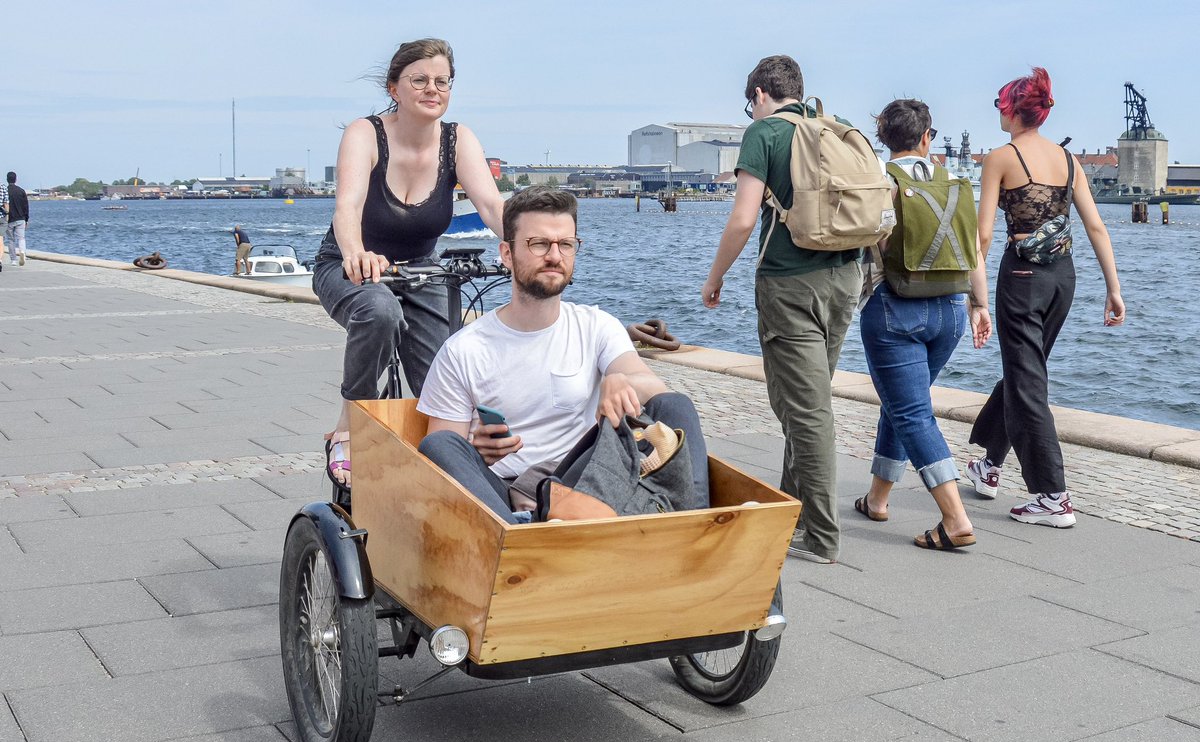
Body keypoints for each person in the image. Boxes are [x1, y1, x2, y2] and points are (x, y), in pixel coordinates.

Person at [416, 187, 709, 524]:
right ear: (507, 254)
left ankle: (698, 525)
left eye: (566, 244)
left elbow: (646, 383)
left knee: (675, 405)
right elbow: (439, 462)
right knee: (439, 445)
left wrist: (617, 378)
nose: (554, 256)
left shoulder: (596, 325)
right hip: (505, 494)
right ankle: (522, 541)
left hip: (584, 484)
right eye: (539, 244)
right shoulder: (463, 350)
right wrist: (478, 453)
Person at [311, 38, 504, 488]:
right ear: (394, 88)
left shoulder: (458, 139)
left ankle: (448, 466)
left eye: (442, 81)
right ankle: (350, 423)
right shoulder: (365, 133)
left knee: (446, 374)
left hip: (420, 270)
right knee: (379, 312)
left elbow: (493, 206)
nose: (432, 89)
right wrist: (357, 252)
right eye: (419, 80)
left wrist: (523, 242)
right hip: (348, 264)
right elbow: (348, 205)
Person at [700, 55, 862, 564]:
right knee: (804, 401)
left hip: (790, 284)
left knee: (807, 411)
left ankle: (819, 535)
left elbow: (743, 219)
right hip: (846, 278)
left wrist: (715, 275)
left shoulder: (765, 133)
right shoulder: (835, 128)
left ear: (760, 94)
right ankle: (793, 509)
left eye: (750, 103)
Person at [966, 67, 1125, 527]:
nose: (998, 111)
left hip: (1021, 278)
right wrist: (1113, 288)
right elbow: (1095, 226)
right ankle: (991, 466)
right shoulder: (1068, 160)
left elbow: (982, 237)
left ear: (1012, 109)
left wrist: (975, 299)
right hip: (1064, 280)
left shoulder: (1000, 157)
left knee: (1027, 379)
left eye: (1000, 104)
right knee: (1025, 370)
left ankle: (1053, 495)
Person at [856, 99, 993, 550]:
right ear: (927, 137)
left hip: (895, 308)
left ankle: (955, 519)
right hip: (951, 310)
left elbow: (865, 238)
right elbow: (974, 247)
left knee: (912, 411)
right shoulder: (956, 181)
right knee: (902, 402)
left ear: (883, 137)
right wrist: (981, 305)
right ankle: (878, 499)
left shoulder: (878, 180)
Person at [3, 173, 27, 268]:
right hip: (21, 218)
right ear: (16, 179)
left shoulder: (5, 191)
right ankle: (22, 252)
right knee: (21, 238)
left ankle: (13, 260)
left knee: (11, 240)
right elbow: (26, 206)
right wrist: (27, 219)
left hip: (9, 219)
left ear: (7, 179)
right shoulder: (21, 191)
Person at [0, 177, 10, 270]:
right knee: (1, 240)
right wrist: (7, 215)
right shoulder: (3, 187)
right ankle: (0, 260)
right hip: (2, 217)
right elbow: (6, 203)